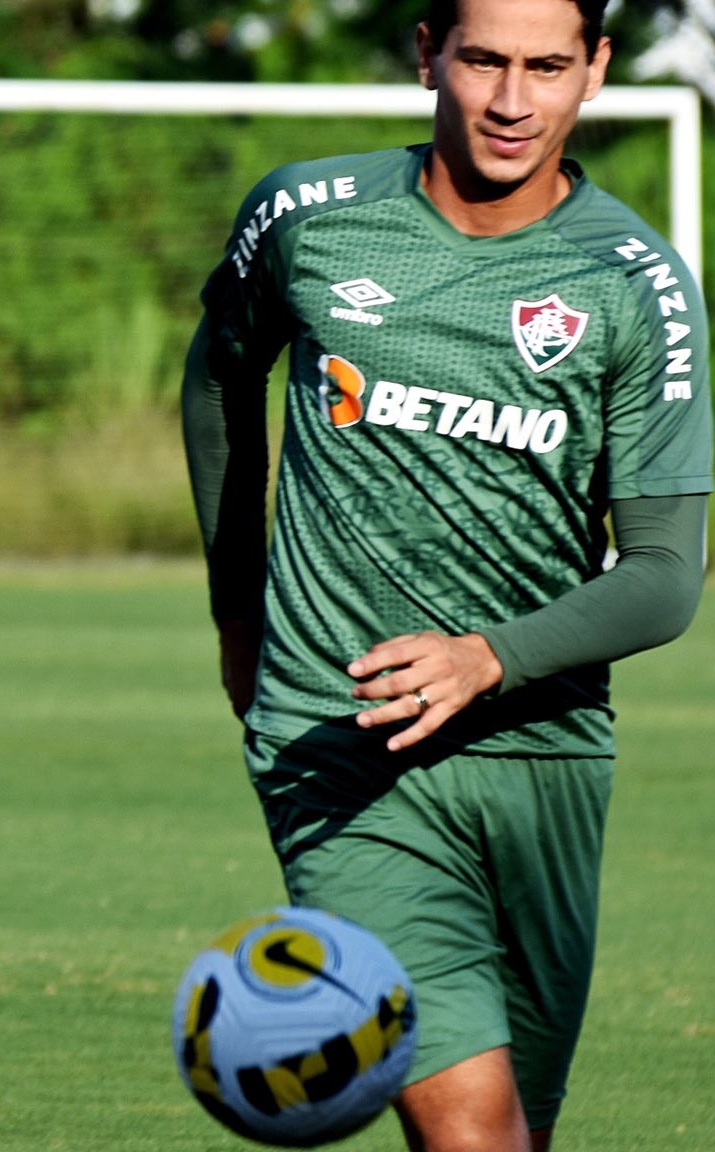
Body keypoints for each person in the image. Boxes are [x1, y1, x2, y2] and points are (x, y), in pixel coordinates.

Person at [182, 1, 709, 1149]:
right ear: (427, 52)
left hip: (543, 754)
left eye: (545, 67)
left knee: (515, 1124)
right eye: (480, 60)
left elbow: (667, 575)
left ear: (596, 69)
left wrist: (487, 658)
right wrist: (238, 613)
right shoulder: (306, 216)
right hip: (339, 733)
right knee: (468, 1125)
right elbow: (219, 380)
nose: (511, 101)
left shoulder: (636, 282)